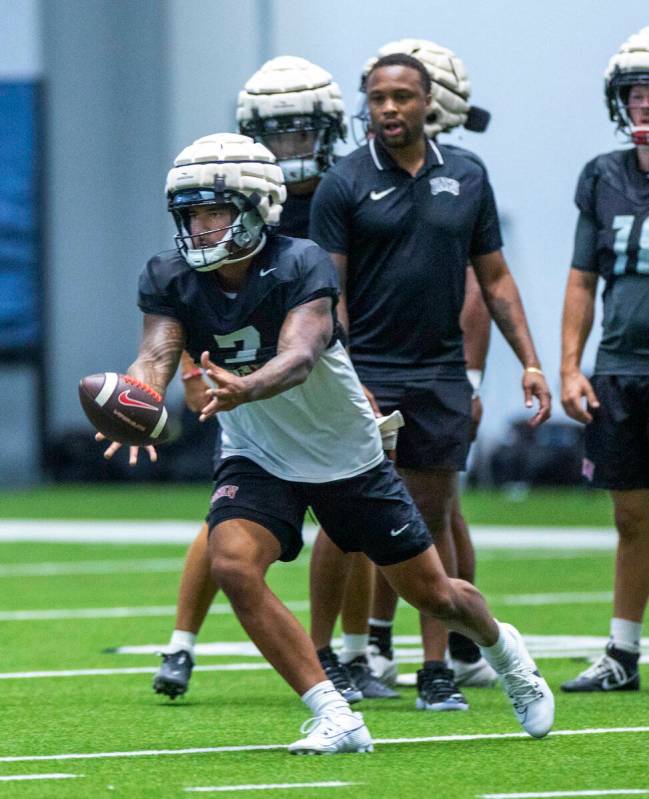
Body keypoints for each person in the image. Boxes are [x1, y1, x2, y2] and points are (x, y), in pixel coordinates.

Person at [99, 131, 554, 751]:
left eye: (214, 210)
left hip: (343, 450)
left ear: (256, 206)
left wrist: (245, 388)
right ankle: (335, 713)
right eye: (191, 213)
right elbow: (155, 353)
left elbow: (301, 355)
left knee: (432, 592)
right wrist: (134, 402)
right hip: (256, 451)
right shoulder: (168, 275)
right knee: (234, 563)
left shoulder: (300, 262)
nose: (200, 227)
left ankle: (506, 652)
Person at [309, 51, 552, 713]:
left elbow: (495, 281)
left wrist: (528, 360)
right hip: (368, 373)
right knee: (341, 518)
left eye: (401, 97)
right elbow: (327, 294)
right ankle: (320, 657)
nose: (389, 108)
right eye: (377, 98)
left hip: (440, 373)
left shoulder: (468, 176)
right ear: (367, 105)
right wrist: (345, 375)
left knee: (432, 515)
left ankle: (435, 668)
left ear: (426, 104)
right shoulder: (344, 181)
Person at [153, 56, 393, 703]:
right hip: (243, 371)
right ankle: (182, 641)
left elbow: (343, 299)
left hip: (324, 361)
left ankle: (349, 650)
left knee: (354, 513)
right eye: (275, 132)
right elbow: (184, 299)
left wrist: (357, 372)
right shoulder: (231, 190)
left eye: (300, 131)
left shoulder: (346, 189)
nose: (289, 146)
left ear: (328, 128)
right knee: (229, 513)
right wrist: (189, 372)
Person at [560, 27, 649, 693]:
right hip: (620, 364)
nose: (644, 104)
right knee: (630, 515)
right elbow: (581, 279)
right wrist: (569, 364)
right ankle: (621, 652)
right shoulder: (601, 174)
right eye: (635, 93)